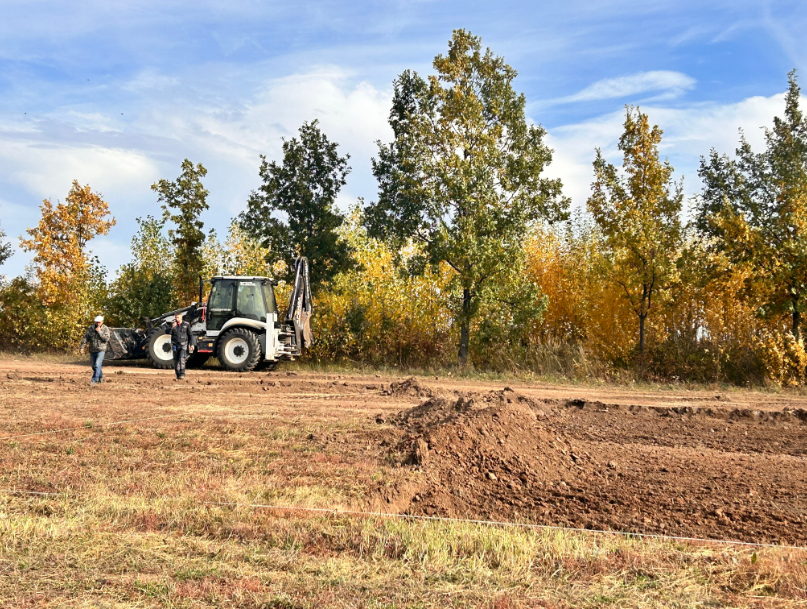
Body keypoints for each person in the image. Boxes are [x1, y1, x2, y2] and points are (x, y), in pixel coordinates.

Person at [79, 315, 111, 385]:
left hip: (101, 350)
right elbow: (85, 338)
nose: (97, 324)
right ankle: (101, 376)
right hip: (92, 350)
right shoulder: (91, 328)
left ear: (102, 322)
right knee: (94, 366)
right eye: (96, 322)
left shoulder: (105, 328)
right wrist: (82, 347)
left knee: (97, 365)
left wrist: (99, 332)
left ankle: (94, 381)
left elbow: (106, 339)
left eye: (99, 322)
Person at [166, 313, 196, 380]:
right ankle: (178, 373)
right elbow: (167, 332)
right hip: (175, 345)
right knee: (176, 360)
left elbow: (190, 335)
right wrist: (172, 328)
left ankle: (182, 373)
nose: (177, 319)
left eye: (178, 317)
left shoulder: (186, 324)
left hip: (183, 344)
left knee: (182, 359)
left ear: (181, 317)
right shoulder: (173, 324)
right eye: (176, 317)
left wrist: (192, 344)